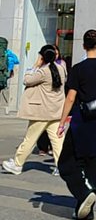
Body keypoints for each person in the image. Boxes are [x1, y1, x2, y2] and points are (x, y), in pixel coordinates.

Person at [57, 29, 96, 220]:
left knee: (67, 162)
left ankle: (83, 193)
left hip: (81, 121)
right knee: (94, 164)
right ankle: (87, 208)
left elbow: (70, 97)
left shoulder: (78, 68)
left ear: (84, 46)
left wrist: (62, 122)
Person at [2, 45, 66, 175]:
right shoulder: (61, 69)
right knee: (58, 140)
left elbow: (27, 80)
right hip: (56, 111)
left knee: (30, 139)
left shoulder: (42, 71)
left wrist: (35, 65)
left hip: (41, 112)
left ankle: (17, 164)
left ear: (42, 56)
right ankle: (61, 166)